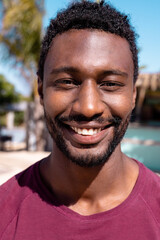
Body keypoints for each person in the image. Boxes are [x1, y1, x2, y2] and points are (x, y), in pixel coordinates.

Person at [0, 1, 160, 239]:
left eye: (110, 84)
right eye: (67, 82)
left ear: (133, 95)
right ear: (41, 91)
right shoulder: (5, 212)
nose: (88, 108)